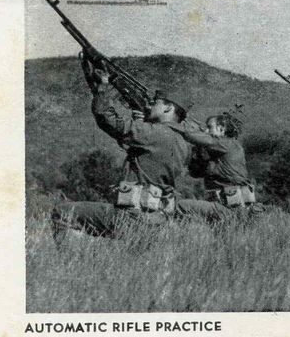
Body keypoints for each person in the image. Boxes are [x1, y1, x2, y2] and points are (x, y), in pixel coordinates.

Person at [51, 56, 193, 241]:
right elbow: (143, 154)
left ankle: (73, 258)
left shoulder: (154, 133)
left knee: (62, 212)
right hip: (156, 220)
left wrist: (103, 86)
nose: (150, 104)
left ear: (168, 109)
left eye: (156, 102)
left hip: (133, 218)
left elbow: (106, 118)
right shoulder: (182, 142)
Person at [172, 111, 263, 222]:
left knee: (180, 206)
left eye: (210, 127)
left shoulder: (227, 143)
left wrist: (171, 124)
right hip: (229, 209)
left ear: (221, 129)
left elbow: (192, 136)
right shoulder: (219, 152)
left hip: (232, 209)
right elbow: (195, 173)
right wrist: (199, 150)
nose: (206, 131)